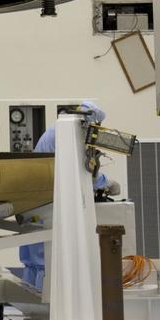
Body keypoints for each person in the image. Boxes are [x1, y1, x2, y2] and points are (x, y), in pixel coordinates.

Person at [18, 101, 109, 290]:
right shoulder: (70, 134)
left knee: (34, 259)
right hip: (47, 204)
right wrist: (104, 182)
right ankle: (44, 301)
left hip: (33, 201)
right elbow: (82, 170)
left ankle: (30, 301)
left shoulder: (56, 130)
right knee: (46, 260)